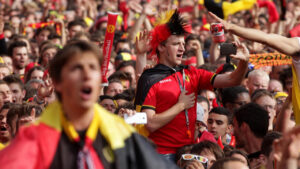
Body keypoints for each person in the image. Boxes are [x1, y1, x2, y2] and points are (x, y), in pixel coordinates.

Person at [0, 40, 180, 169]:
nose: (86, 75)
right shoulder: (34, 138)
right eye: (77, 68)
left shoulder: (121, 134)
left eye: (93, 68)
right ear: (58, 82)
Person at [135, 10, 250, 161]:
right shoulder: (150, 78)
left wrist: (244, 62)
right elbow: (150, 123)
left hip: (188, 153)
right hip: (161, 156)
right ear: (161, 47)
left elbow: (232, 80)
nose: (182, 48)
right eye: (176, 44)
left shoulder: (193, 74)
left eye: (183, 44)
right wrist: (180, 106)